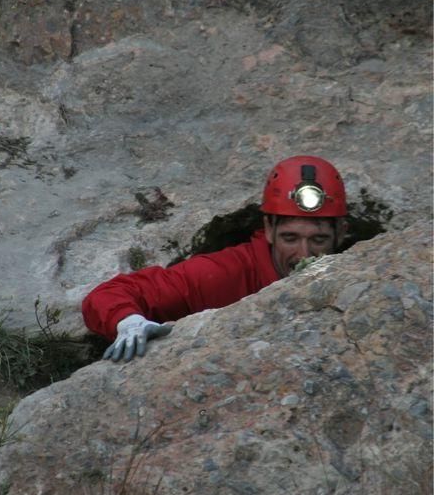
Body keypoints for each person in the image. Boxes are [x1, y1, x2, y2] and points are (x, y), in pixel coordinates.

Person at [82, 155, 348, 362]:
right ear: (268, 229)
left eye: (318, 240)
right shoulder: (225, 274)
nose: (303, 253)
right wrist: (128, 321)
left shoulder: (357, 275)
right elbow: (109, 294)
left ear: (341, 234)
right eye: (290, 239)